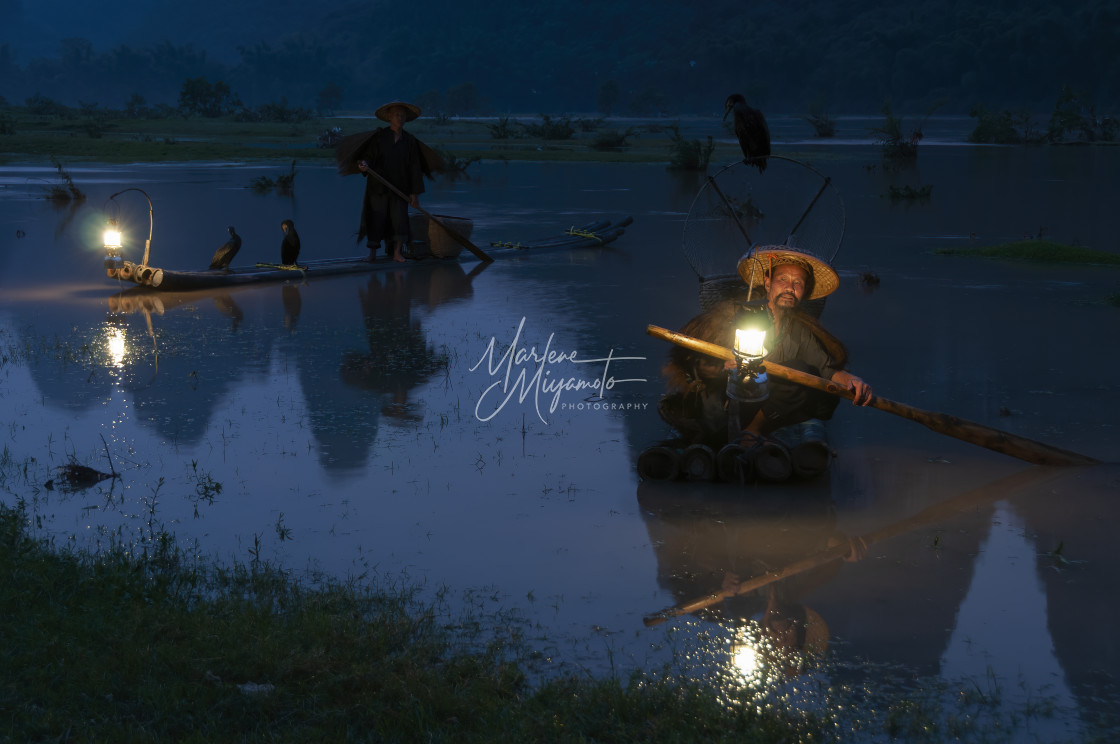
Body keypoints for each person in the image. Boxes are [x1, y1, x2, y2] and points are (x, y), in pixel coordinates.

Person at [659, 245, 872, 448]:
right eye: (783, 279)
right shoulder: (737, 316)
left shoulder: (799, 331)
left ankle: (752, 431)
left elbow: (828, 370)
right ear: (768, 283)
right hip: (728, 400)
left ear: (803, 291)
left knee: (812, 381)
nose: (790, 287)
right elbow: (693, 362)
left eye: (798, 283)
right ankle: (742, 432)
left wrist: (854, 381)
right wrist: (718, 368)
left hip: (768, 407)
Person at [356, 101, 426, 263]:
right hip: (378, 187)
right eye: (396, 115)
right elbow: (368, 157)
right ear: (389, 117)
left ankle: (397, 252)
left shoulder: (409, 141)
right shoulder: (379, 137)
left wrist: (415, 194)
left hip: (400, 188)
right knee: (376, 218)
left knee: (399, 220)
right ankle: (372, 253)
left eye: (402, 115)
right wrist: (364, 165)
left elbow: (415, 168)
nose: (400, 118)